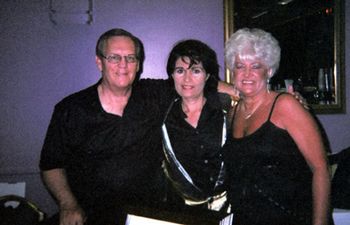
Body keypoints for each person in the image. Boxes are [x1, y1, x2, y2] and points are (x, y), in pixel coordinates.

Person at [40, 29, 236, 225]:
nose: (123, 65)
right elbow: (51, 165)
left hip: (148, 213)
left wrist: (242, 92)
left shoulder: (153, 94)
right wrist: (68, 205)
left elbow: (193, 82)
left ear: (138, 64)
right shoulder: (72, 109)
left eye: (130, 58)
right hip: (92, 214)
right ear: (99, 62)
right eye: (114, 58)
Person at [222, 28, 331, 225]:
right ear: (232, 70)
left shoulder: (285, 105)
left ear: (269, 70)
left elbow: (320, 169)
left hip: (292, 218)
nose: (246, 73)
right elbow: (199, 82)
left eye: (255, 66)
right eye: (240, 66)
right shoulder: (232, 113)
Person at [161, 39, 229, 214]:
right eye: (180, 70)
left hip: (229, 211)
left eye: (196, 71)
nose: (187, 78)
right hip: (182, 213)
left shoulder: (228, 110)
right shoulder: (162, 116)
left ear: (207, 76)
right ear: (172, 75)